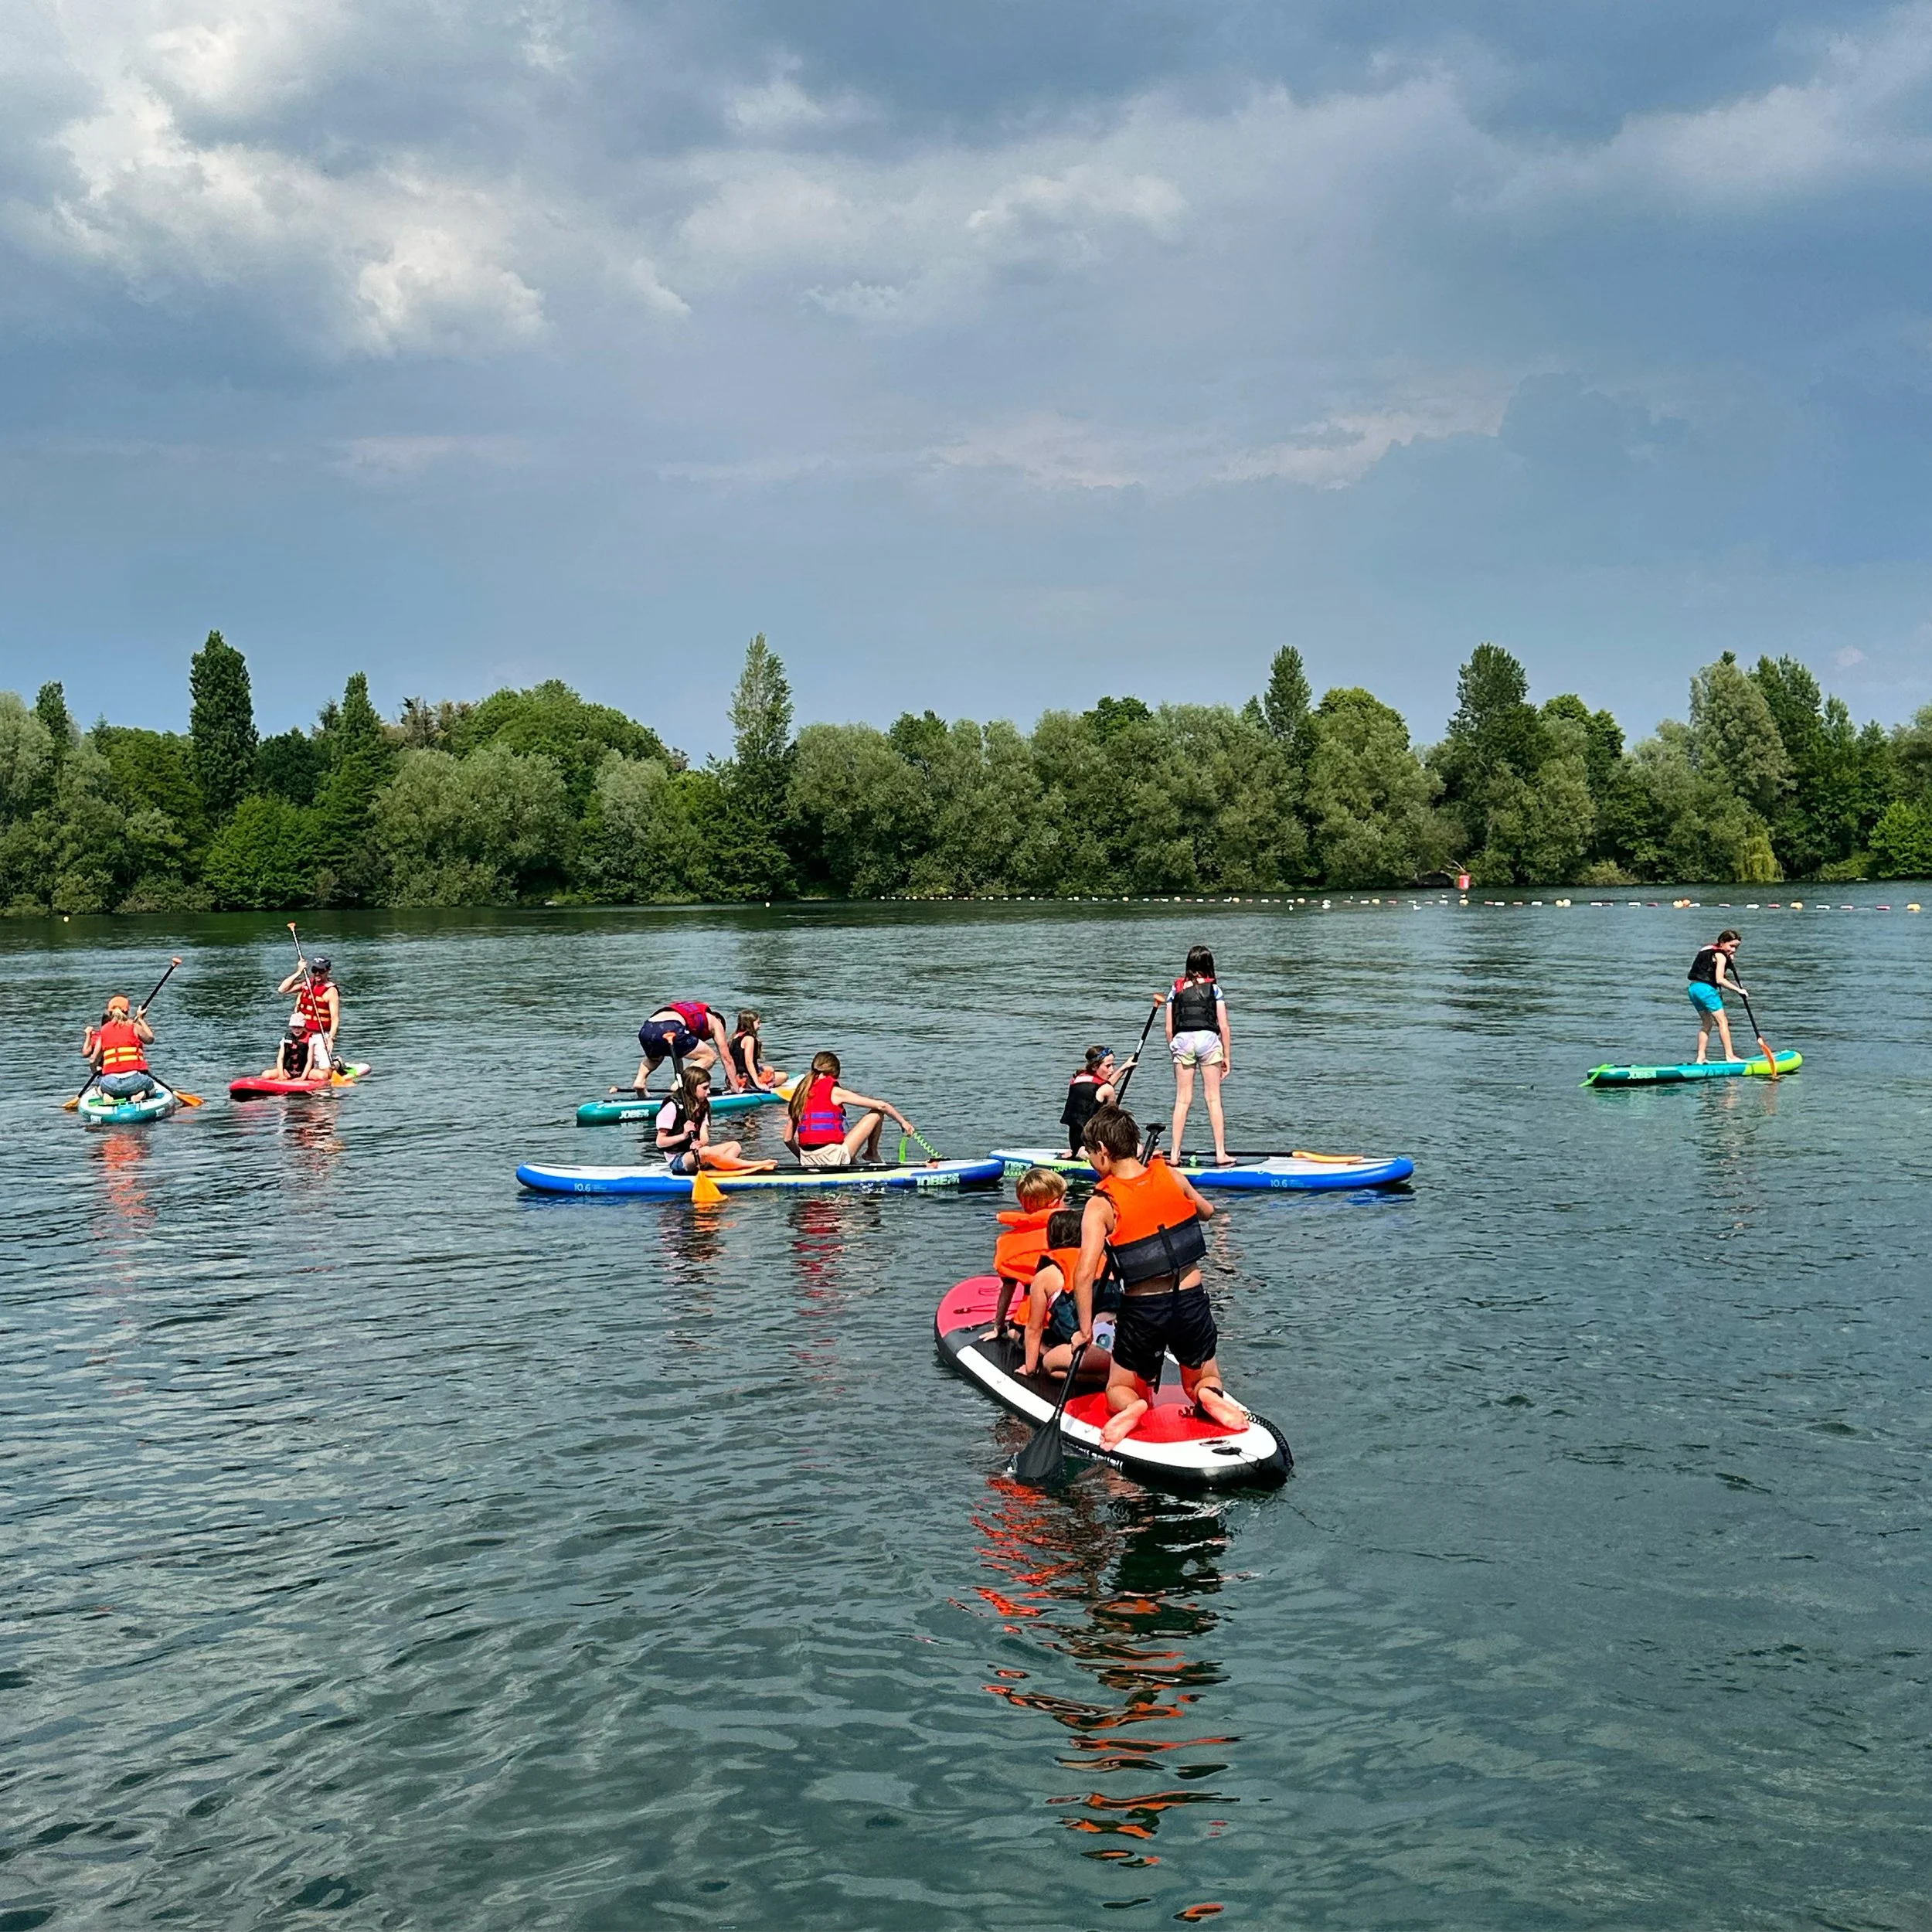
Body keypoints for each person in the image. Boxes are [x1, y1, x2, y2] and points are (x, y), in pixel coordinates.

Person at [1070, 1105, 1250, 1449]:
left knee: (1119, 1387)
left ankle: (1132, 1405)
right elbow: (1208, 1213)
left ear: (1104, 1152)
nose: (1091, 1162)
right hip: (1191, 1299)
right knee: (1204, 1376)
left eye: (1091, 1155)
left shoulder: (1102, 1204)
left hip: (1143, 1311)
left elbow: (1083, 1274)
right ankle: (1208, 1397)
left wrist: (1084, 1330)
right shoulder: (1171, 1176)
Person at [1019, 1203, 1117, 1386]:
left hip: (1097, 1349)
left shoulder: (1046, 1276)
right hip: (1127, 1344)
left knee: (1050, 1364)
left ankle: (1103, 1378)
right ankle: (1119, 1375)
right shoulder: (1105, 1263)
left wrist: (1029, 1368)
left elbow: (1034, 1329)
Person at [784, 1051, 918, 1169]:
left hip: (808, 1160)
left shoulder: (800, 1094)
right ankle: (872, 1153)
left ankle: (853, 1162)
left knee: (842, 1146)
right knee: (876, 1114)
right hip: (832, 1159)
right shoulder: (835, 1091)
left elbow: (788, 1139)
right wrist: (903, 1122)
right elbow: (881, 1106)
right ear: (834, 1072)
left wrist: (804, 1159)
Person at [1166, 945, 1233, 1165]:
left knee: (1182, 1100)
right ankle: (1221, 1153)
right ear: (1208, 966)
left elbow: (1169, 1028)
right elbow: (1223, 1026)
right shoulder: (1215, 990)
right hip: (1208, 1041)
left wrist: (1174, 1049)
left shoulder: (1175, 990)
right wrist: (1226, 1057)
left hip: (1183, 1041)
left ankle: (1175, 1155)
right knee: (1213, 1099)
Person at [991, 1166, 1070, 1336]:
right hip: (1074, 1311)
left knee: (1013, 1332)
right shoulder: (1073, 1230)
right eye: (1065, 1198)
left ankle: (1044, 1352)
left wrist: (999, 1325)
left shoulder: (1009, 1241)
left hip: (1036, 1319)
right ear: (1055, 1203)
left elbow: (1008, 1287)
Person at [655, 1067, 773, 1175]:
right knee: (706, 1152)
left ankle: (723, 1165)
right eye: (705, 1088)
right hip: (678, 1160)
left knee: (734, 1146)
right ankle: (757, 1164)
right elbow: (660, 1142)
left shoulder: (703, 1106)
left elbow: (704, 1137)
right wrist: (684, 1136)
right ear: (692, 1087)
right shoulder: (672, 1106)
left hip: (698, 1154)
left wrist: (700, 1143)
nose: (709, 1092)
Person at [625, 1001, 744, 1099]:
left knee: (655, 1059)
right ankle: (679, 1085)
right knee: (710, 1057)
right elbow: (727, 1059)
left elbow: (677, 1056)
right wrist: (735, 1089)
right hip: (671, 1027)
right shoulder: (715, 1022)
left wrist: (678, 1077)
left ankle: (640, 1081)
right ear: (719, 1020)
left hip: (647, 1028)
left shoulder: (689, 1016)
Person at [83, 994, 161, 1101]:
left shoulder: (104, 1030)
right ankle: (141, 1095)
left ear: (110, 1012)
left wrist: (97, 1075)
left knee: (100, 1087)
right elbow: (150, 1039)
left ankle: (107, 1094)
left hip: (110, 1083)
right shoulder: (133, 1026)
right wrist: (141, 1019)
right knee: (152, 1087)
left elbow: (93, 1060)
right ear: (127, 1011)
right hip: (135, 1081)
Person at [1060, 1045, 1130, 1158]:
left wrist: (1124, 1068)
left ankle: (1079, 1151)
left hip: (1075, 1141)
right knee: (1139, 1149)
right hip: (1095, 1142)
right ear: (1095, 1067)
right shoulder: (1107, 1090)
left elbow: (1101, 1087)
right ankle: (1088, 1154)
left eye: (1113, 1065)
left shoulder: (1078, 1079)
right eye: (1108, 1066)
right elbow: (1113, 1120)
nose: (1112, 1070)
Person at [1689, 929, 1746, 1063]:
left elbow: (1708, 962)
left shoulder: (1706, 949)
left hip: (1693, 989)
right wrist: (1739, 990)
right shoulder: (1720, 956)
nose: (1734, 950)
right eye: (1731, 946)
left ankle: (1701, 1057)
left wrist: (1729, 961)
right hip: (1706, 990)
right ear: (1722, 942)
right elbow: (1720, 979)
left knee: (1707, 1023)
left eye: (1736, 948)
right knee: (1723, 1022)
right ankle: (1730, 1056)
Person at [278, 956, 342, 1066]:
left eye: (321, 971)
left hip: (320, 1035)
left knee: (324, 1067)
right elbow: (282, 989)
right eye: (314, 970)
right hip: (303, 1033)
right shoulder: (306, 983)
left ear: (328, 971)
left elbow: (335, 1018)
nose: (317, 974)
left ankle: (336, 1064)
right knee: (298, 1064)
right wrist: (298, 972)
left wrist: (331, 1038)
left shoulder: (331, 991)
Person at [260, 1013, 332, 1082]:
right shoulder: (285, 1040)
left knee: (323, 1076)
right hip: (288, 1072)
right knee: (265, 1075)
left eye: (299, 1027)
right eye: (294, 1027)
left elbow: (309, 1061)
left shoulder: (310, 1040)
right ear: (291, 1027)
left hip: (305, 1072)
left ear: (304, 1027)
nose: (297, 1030)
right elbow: (280, 1058)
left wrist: (303, 1077)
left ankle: (336, 1065)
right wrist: (281, 1075)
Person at [728, 1011, 787, 1090]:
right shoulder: (749, 1039)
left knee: (769, 1069)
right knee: (784, 1076)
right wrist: (758, 1084)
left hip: (733, 1079)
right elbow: (749, 1063)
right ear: (750, 1023)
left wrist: (761, 1068)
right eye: (758, 1023)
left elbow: (738, 1061)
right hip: (745, 1080)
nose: (760, 1025)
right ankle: (755, 1085)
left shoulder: (734, 1037)